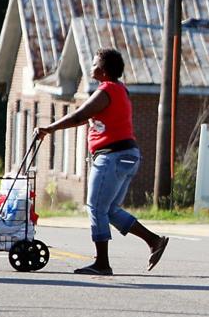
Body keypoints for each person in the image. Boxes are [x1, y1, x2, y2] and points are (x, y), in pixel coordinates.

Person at [37, 47, 169, 276]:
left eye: (95, 63)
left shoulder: (106, 90)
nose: (91, 67)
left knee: (95, 207)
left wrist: (49, 128)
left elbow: (79, 116)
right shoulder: (120, 90)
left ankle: (102, 263)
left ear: (104, 70)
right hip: (127, 155)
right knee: (109, 210)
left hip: (112, 156)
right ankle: (154, 240)